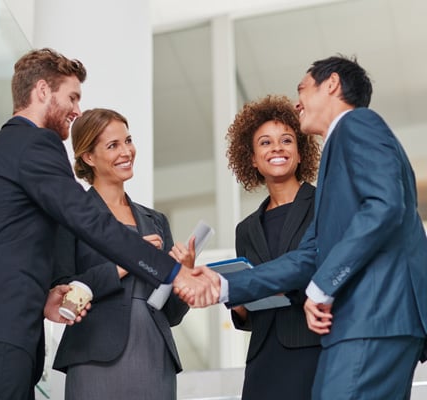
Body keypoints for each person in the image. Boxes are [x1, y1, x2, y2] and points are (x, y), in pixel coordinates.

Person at [0, 48, 217, 400]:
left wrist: (43, 297)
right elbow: (89, 220)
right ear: (43, 91)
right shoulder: (36, 144)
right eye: (72, 97)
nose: (76, 110)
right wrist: (173, 272)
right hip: (4, 330)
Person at [185, 55, 427, 400]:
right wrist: (222, 285)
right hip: (367, 322)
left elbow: (385, 207)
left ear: (331, 85)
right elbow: (309, 256)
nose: (297, 101)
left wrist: (322, 288)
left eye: (303, 88)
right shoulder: (337, 154)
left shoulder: (357, 124)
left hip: (374, 316)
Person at [51, 108, 192, 400]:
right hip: (95, 355)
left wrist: (183, 276)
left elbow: (172, 313)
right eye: (113, 145)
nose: (126, 151)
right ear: (89, 157)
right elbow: (63, 294)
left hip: (155, 355)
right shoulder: (71, 217)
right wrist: (128, 261)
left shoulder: (155, 220)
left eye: (128, 140)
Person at [225, 95, 321, 399]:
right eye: (265, 142)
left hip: (314, 351)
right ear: (252, 158)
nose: (277, 148)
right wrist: (239, 305)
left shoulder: (324, 204)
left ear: (301, 152)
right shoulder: (246, 229)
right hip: (263, 360)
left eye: (287, 140)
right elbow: (251, 314)